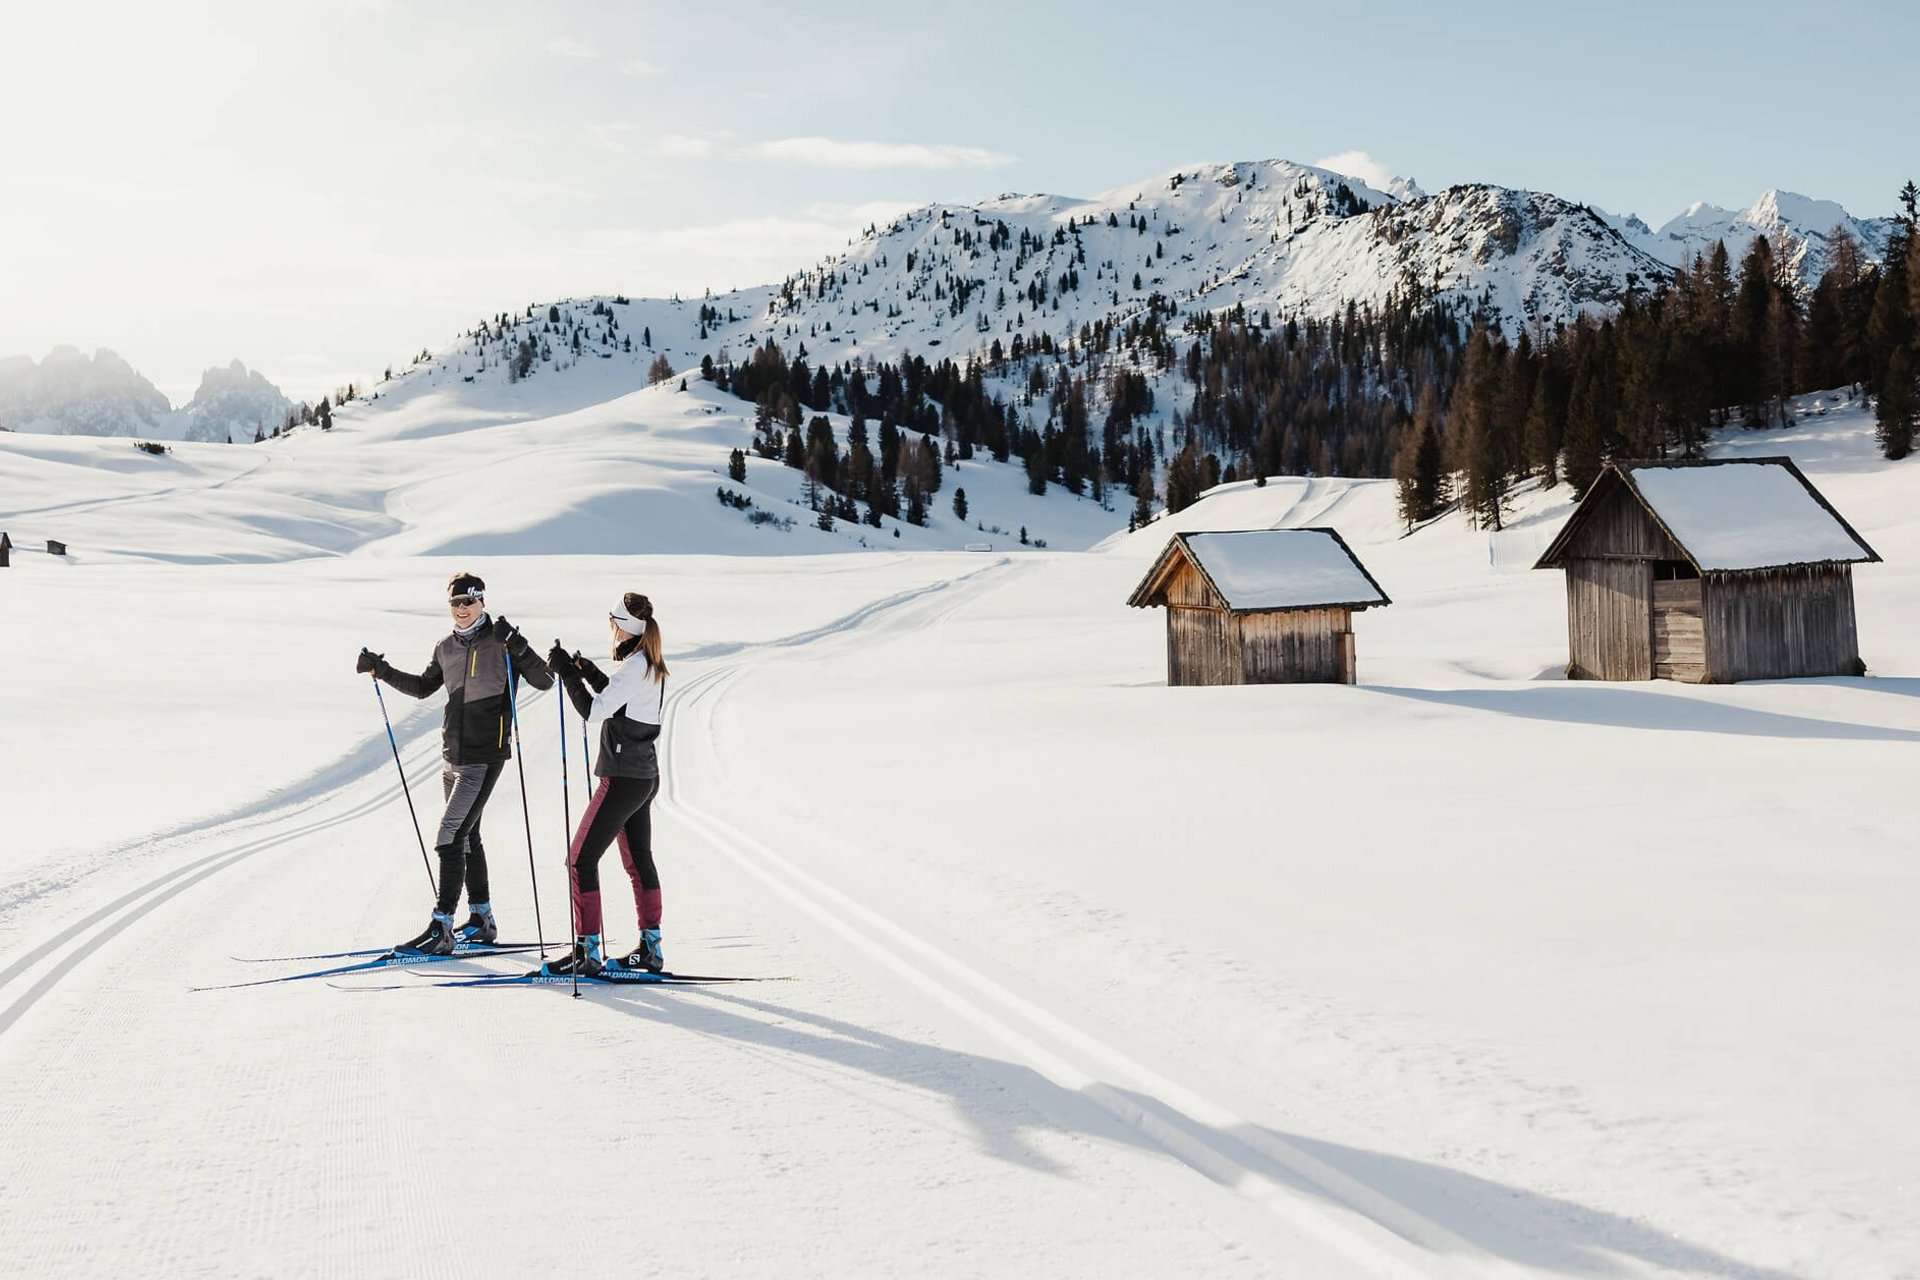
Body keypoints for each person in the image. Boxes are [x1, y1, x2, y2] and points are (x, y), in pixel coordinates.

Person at [356, 572, 553, 954]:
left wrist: (519, 645)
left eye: (468, 601)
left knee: (449, 834)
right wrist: (380, 669)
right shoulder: (446, 647)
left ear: (482, 601)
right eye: (455, 603)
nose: (461, 609)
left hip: (484, 756)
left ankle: (441, 926)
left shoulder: (501, 641)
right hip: (452, 755)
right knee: (468, 836)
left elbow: (544, 680)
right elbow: (421, 687)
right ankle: (481, 919)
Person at [544, 592, 668, 977]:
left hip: (622, 779)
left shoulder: (634, 668)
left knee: (580, 860)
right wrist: (587, 671)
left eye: (612, 622)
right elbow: (618, 700)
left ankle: (588, 952)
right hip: (643, 777)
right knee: (638, 862)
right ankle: (651, 949)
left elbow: (596, 710)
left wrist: (567, 673)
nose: (611, 629)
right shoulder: (649, 663)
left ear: (622, 627)